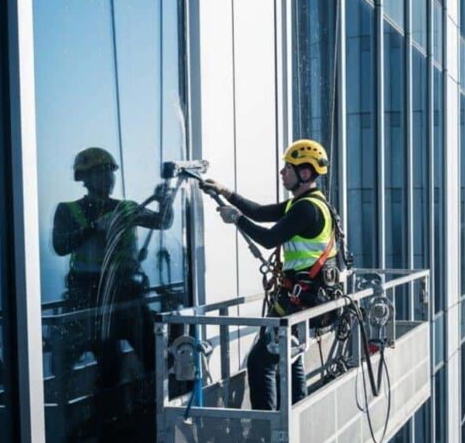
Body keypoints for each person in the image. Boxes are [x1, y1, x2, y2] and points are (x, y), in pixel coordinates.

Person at [203, 139, 342, 411]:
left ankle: (266, 435)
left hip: (301, 298)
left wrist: (236, 219)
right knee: (290, 356)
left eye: (286, 168)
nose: (282, 173)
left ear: (304, 173)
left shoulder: (307, 209)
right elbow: (259, 212)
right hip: (306, 296)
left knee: (260, 363)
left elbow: (268, 239)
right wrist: (225, 192)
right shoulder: (306, 203)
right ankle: (297, 417)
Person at [52, 146, 175, 385]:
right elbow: (61, 245)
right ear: (84, 178)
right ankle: (109, 414)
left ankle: (153, 408)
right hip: (91, 296)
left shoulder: (126, 207)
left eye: (110, 172)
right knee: (109, 362)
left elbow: (163, 222)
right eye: (100, 172)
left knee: (154, 354)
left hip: (125, 293)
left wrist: (165, 202)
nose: (108, 178)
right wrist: (93, 228)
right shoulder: (69, 210)